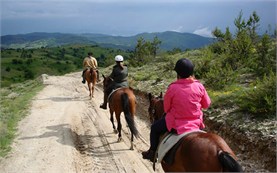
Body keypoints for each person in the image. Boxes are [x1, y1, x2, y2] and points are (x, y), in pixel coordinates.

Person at [142, 58, 211, 162]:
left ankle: (152, 153)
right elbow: (206, 104)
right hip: (196, 123)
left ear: (178, 73)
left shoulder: (172, 88)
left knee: (155, 128)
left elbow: (166, 108)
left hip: (176, 123)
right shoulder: (199, 86)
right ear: (191, 72)